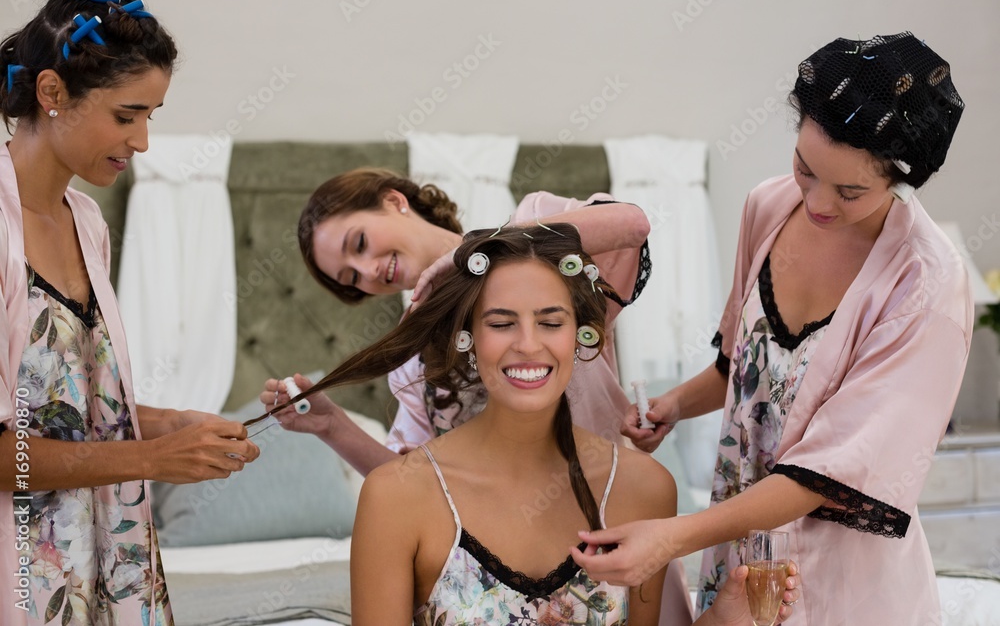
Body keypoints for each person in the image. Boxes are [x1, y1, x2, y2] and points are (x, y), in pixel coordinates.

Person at [572, 32, 970, 624]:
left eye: (851, 191)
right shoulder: (768, 207)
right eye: (806, 169)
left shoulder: (926, 284)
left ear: (899, 179)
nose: (819, 203)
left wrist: (672, 537)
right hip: (739, 561)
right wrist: (674, 405)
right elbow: (742, 367)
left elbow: (833, 470)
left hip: (843, 583)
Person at [269, 223, 800, 625]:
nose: (529, 344)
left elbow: (632, 224)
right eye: (501, 323)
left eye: (551, 321)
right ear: (468, 338)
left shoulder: (642, 488)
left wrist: (726, 618)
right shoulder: (397, 497)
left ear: (580, 336)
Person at [0, 0, 260, 624]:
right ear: (51, 92)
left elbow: (58, 402)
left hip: (106, 564)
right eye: (126, 115)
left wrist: (168, 421)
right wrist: (150, 457)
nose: (141, 142)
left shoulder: (87, 222)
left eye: (150, 115)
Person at [262, 169, 650, 475]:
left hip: (607, 517)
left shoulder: (538, 228)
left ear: (394, 201)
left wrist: (476, 250)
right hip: (499, 560)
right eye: (352, 278)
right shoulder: (411, 359)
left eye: (360, 243)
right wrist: (332, 425)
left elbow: (632, 226)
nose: (369, 270)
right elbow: (410, 483)